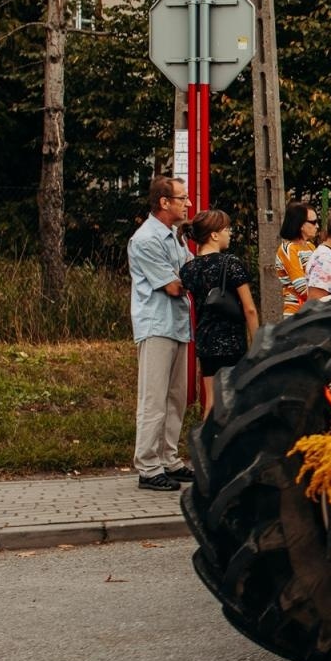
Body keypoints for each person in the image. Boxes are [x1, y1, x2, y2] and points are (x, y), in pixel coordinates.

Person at [128, 176, 193, 492]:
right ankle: (148, 465)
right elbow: (173, 286)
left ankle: (169, 457)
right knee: (153, 398)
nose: (188, 204)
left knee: (176, 397)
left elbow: (190, 271)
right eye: (182, 198)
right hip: (156, 324)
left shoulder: (175, 237)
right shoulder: (146, 240)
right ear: (164, 202)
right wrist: (198, 277)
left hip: (177, 324)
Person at [179, 209, 260, 419]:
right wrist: (258, 341)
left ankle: (206, 448)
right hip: (232, 342)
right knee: (234, 402)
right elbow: (249, 308)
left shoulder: (189, 269)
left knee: (212, 403)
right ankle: (231, 450)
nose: (230, 233)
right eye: (226, 229)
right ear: (214, 235)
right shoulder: (231, 264)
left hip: (206, 343)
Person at [275, 200, 318, 316]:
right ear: (301, 225)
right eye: (313, 222)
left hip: (312, 310)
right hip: (296, 313)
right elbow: (301, 287)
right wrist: (326, 296)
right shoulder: (288, 249)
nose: (317, 226)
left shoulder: (311, 247)